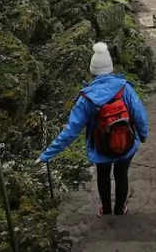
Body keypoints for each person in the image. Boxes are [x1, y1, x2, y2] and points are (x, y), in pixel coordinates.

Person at [38, 42, 150, 216]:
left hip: (101, 147)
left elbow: (70, 132)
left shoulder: (86, 98)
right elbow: (140, 115)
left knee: (103, 175)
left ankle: (105, 210)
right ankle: (120, 209)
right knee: (122, 174)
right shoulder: (125, 88)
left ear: (92, 70)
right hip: (126, 144)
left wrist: (47, 155)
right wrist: (142, 136)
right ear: (111, 67)